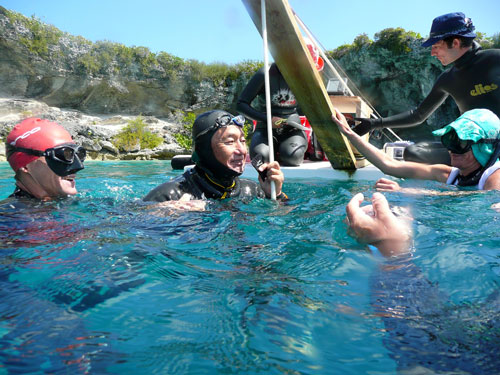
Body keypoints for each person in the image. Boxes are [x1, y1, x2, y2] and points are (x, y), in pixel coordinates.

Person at [353, 12, 500, 163]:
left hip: (494, 146)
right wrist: (375, 123)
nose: (432, 52)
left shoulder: (496, 60)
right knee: (413, 152)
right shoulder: (447, 79)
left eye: (436, 46)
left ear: (455, 43)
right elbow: (418, 115)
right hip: (469, 147)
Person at [333, 108, 500, 190]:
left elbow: (482, 204)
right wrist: (349, 134)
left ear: (485, 147)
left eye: (461, 143)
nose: (452, 150)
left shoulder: (494, 177)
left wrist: (407, 192)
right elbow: (390, 166)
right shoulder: (450, 175)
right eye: (449, 141)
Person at [143, 110, 286, 202]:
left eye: (242, 141)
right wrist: (166, 216)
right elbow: (131, 227)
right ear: (204, 149)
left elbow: (285, 220)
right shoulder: (170, 195)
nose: (241, 150)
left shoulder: (251, 190)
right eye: (230, 142)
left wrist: (275, 194)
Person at [236, 40, 325, 166]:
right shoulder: (265, 74)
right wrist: (268, 119)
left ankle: (283, 150)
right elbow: (241, 105)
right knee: (260, 159)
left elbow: (318, 106)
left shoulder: (307, 78)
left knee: (292, 158)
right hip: (265, 128)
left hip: (292, 129)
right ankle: (274, 149)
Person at [5, 117, 86, 201]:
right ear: (26, 166)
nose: (78, 166)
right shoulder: (9, 213)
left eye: (79, 154)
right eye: (63, 155)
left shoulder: (83, 204)